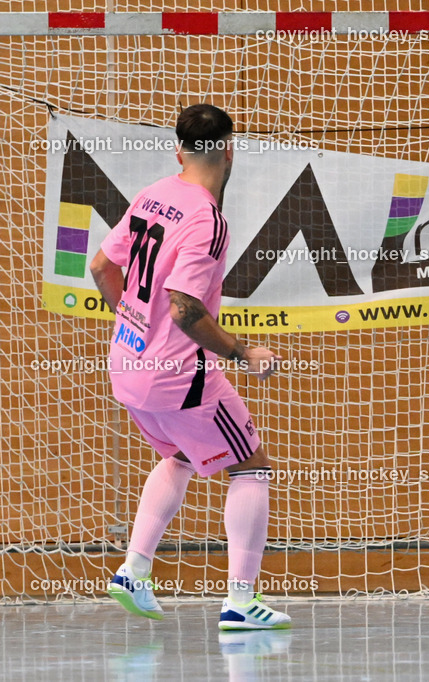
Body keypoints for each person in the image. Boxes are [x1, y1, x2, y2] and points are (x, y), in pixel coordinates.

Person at [89, 104, 291, 628]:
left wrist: (136, 323)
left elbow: (99, 265)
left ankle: (134, 568)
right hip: (180, 376)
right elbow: (184, 308)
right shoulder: (208, 219)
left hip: (128, 365)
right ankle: (241, 602)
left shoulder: (154, 192)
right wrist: (244, 351)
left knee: (179, 455)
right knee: (250, 466)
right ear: (229, 149)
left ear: (179, 150)